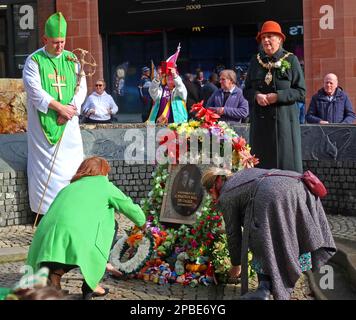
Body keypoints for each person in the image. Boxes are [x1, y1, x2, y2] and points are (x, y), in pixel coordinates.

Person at [201, 166, 336, 300]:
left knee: (259, 234)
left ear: (214, 186)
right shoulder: (242, 174)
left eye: (210, 193)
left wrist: (236, 265)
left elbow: (233, 234)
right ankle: (278, 281)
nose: (213, 198)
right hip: (299, 185)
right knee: (293, 231)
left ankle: (264, 289)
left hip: (274, 195)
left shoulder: (226, 195)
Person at [26, 156, 146, 300]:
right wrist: (143, 224)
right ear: (103, 172)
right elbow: (131, 209)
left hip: (45, 238)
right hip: (78, 239)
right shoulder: (104, 185)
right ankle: (91, 285)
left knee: (63, 246)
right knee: (111, 226)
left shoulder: (68, 188)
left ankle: (54, 279)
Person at [22, 12, 87, 219]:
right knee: (45, 169)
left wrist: (70, 109)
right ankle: (44, 213)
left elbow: (81, 87)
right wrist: (60, 108)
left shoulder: (72, 59)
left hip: (69, 124)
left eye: (62, 42)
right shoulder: (34, 61)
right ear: (44, 40)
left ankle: (73, 205)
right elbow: (34, 90)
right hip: (44, 125)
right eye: (55, 42)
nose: (59, 46)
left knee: (72, 163)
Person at [244, 21, 305, 173]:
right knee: (260, 172)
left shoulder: (291, 60)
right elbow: (247, 90)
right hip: (261, 128)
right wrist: (256, 96)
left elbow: (301, 92)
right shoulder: (255, 61)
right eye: (262, 37)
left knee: (284, 173)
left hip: (284, 129)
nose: (265, 40)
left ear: (279, 39)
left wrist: (278, 96)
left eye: (269, 36)